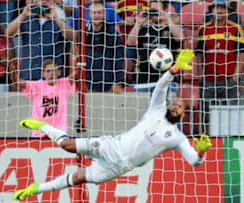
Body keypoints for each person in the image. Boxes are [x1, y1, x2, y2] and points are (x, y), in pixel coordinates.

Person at [12, 50, 212, 201]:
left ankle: (36, 189)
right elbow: (161, 86)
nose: (176, 107)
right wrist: (174, 69)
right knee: (67, 145)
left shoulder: (178, 137)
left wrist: (201, 153)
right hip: (112, 145)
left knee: (78, 178)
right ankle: (42, 126)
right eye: (175, 103)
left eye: (180, 107)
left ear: (184, 115)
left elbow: (194, 162)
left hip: (119, 167)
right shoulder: (156, 110)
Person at [196, 0, 244, 133]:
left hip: (228, 79)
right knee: (206, 114)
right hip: (208, 80)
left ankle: (229, 140)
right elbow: (199, 54)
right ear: (211, 11)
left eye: (223, 8)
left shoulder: (235, 29)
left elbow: (241, 53)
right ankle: (206, 139)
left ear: (229, 12)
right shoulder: (203, 29)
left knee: (229, 114)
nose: (219, 11)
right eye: (217, 8)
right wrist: (201, 74)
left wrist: (236, 75)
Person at [5, 0, 76, 80]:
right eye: (41, 1)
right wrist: (23, 15)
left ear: (52, 3)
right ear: (35, 2)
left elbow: (74, 37)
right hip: (30, 73)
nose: (44, 3)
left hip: (52, 75)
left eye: (47, 1)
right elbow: (8, 33)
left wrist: (56, 18)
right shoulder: (26, 20)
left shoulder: (59, 21)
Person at [11, 59, 78, 138]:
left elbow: (76, 74)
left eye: (54, 71)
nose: (51, 74)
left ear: (59, 73)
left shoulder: (64, 84)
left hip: (59, 132)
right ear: (43, 74)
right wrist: (14, 70)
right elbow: (17, 82)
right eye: (48, 71)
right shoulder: (37, 86)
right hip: (39, 132)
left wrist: (77, 59)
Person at [127, 0, 183, 85]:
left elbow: (180, 38)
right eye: (153, 10)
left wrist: (168, 19)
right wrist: (138, 23)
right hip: (145, 76)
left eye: (158, 10)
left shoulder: (172, 28)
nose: (155, 13)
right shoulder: (144, 29)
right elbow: (130, 43)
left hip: (168, 77)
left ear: (165, 11)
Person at [86, 1, 124, 93]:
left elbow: (118, 59)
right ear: (89, 14)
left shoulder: (113, 33)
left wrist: (117, 82)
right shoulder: (83, 34)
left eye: (99, 12)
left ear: (104, 14)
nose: (96, 15)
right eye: (94, 12)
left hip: (108, 83)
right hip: (88, 83)